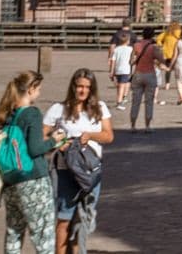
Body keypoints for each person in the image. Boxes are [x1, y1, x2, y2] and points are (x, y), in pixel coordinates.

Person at [43, 69, 114, 254]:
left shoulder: (100, 108)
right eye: (79, 86)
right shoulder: (58, 109)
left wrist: (90, 135)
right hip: (65, 171)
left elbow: (108, 136)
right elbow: (42, 137)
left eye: (87, 87)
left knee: (82, 221)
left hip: (90, 172)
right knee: (64, 219)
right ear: (73, 87)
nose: (83, 91)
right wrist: (58, 143)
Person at [0, 71, 56, 254]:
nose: (39, 93)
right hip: (33, 180)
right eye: (38, 89)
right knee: (43, 236)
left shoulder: (8, 114)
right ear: (30, 89)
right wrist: (55, 140)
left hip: (10, 181)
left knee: (14, 233)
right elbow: (35, 149)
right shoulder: (31, 114)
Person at [127, 27, 162, 131]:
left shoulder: (136, 45)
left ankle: (133, 125)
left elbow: (131, 62)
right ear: (152, 35)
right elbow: (161, 60)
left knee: (135, 101)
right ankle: (147, 125)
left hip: (138, 74)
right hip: (150, 74)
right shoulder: (154, 47)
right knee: (149, 101)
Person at [107, 29, 133, 108]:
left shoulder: (116, 49)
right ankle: (119, 102)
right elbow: (132, 60)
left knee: (120, 86)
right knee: (122, 86)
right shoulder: (130, 49)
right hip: (126, 70)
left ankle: (120, 99)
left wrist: (111, 71)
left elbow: (113, 61)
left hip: (118, 70)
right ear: (128, 41)